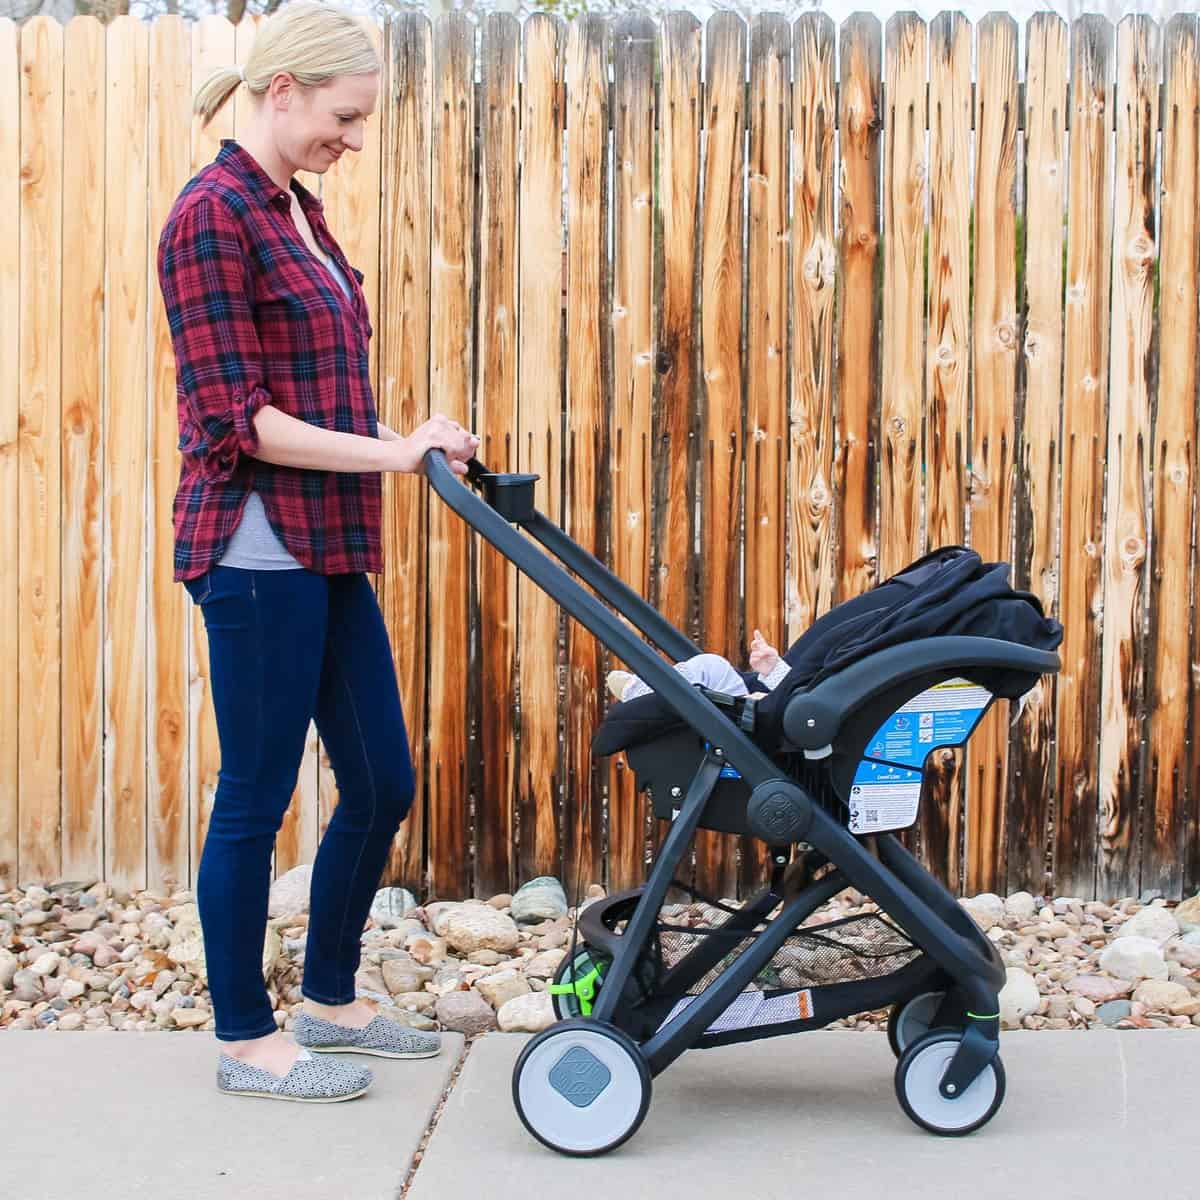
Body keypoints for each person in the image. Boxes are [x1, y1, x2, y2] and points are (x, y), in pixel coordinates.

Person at [157, 1, 478, 1104]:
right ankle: (246, 1041)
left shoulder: (299, 210)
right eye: (345, 116)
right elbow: (237, 421)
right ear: (284, 89)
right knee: (255, 796)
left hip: (330, 540)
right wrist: (396, 455)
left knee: (382, 778)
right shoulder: (210, 218)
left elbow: (321, 389)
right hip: (254, 549)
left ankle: (331, 999)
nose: (355, 136)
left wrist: (410, 443)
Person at [606, 629, 792, 703]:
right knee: (712, 667)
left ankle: (643, 692)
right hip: (776, 701)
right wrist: (774, 670)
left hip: (770, 715)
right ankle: (650, 690)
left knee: (711, 667)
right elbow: (799, 688)